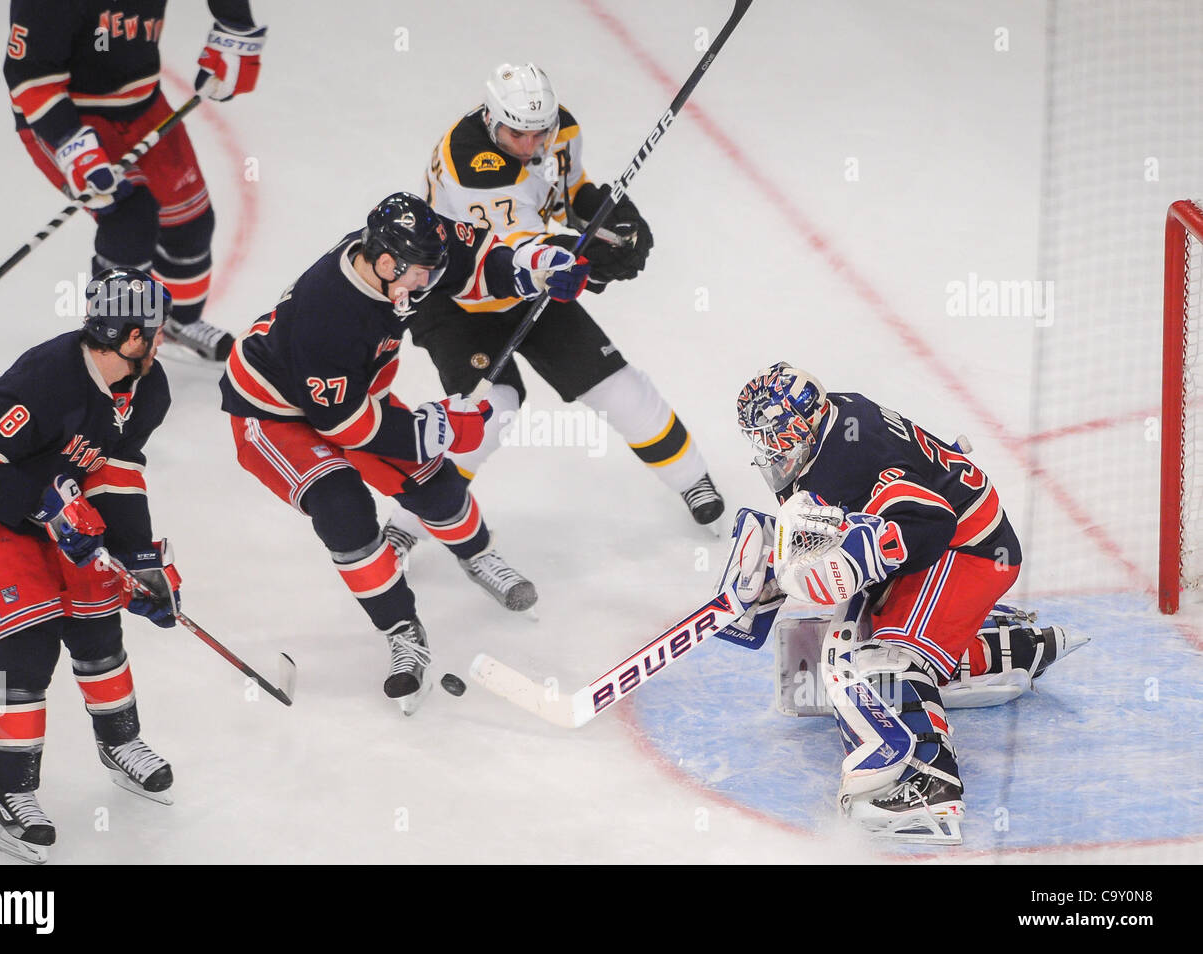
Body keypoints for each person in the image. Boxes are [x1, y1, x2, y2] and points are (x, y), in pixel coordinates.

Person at [219, 192, 590, 712]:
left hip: (352, 395)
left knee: (437, 488)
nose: (429, 285)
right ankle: (401, 629)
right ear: (386, 262)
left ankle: (477, 555)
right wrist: (436, 428)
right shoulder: (327, 308)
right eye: (420, 275)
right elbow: (343, 424)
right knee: (344, 508)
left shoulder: (412, 249)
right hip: (275, 414)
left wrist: (537, 268)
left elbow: (475, 260)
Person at [716, 363, 1084, 844]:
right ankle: (1005, 648)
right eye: (760, 439)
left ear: (800, 422)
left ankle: (925, 785)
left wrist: (849, 558)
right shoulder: (830, 422)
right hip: (937, 544)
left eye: (773, 435)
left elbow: (930, 522)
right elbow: (847, 514)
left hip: (969, 551)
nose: (767, 449)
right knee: (866, 635)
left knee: (882, 660)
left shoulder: (852, 448)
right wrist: (781, 567)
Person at [383, 62, 724, 559]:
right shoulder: (468, 163)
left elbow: (566, 194)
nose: (530, 145)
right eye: (517, 134)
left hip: (529, 281)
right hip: (460, 293)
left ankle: (693, 479)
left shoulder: (560, 129)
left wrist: (611, 218)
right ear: (490, 117)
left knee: (620, 388)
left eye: (538, 133)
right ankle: (405, 523)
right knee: (489, 412)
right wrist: (587, 258)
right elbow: (514, 246)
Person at [0, 269, 184, 864]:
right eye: (154, 329)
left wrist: (139, 560)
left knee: (98, 615)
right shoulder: (47, 378)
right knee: (32, 634)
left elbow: (115, 473)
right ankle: (8, 792)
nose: (162, 338)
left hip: (60, 501)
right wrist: (45, 509)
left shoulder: (150, 387)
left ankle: (120, 743)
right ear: (126, 335)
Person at [3, 0, 267, 361]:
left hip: (142, 102)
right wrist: (74, 148)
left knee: (190, 224)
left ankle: (176, 320)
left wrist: (236, 24)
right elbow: (30, 76)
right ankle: (110, 345)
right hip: (63, 114)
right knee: (129, 217)